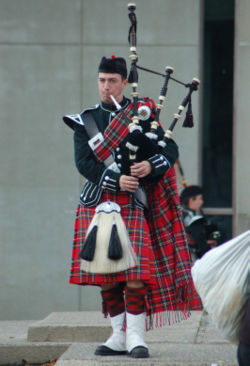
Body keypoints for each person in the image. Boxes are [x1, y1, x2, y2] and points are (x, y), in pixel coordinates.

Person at [63, 55, 202, 359]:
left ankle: (137, 337)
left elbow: (169, 147)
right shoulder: (85, 121)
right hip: (100, 202)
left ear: (125, 83)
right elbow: (83, 163)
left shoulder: (143, 113)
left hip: (135, 204)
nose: (106, 86)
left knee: (136, 272)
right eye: (102, 81)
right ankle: (118, 335)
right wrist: (115, 180)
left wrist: (149, 167)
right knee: (108, 274)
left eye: (112, 81)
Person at [180, 185, 220, 261]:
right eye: (200, 199)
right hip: (191, 259)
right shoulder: (190, 219)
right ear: (191, 200)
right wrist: (205, 243)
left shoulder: (182, 215)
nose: (202, 202)